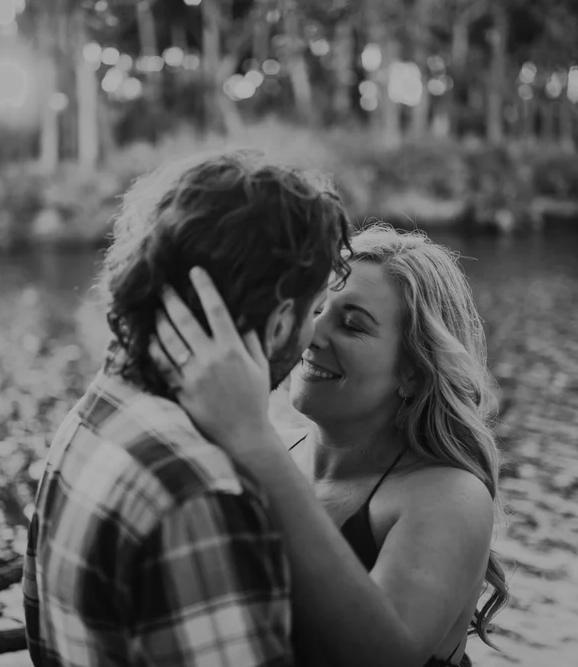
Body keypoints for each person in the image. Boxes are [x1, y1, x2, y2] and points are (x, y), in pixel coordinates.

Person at [21, 148, 352, 667]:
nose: (314, 336)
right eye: (314, 312)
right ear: (279, 323)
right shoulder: (201, 495)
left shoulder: (97, 409)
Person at [150, 223, 509, 667]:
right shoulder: (265, 452)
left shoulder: (449, 496)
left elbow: (382, 657)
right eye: (316, 308)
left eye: (352, 325)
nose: (311, 333)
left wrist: (251, 438)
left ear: (414, 373)